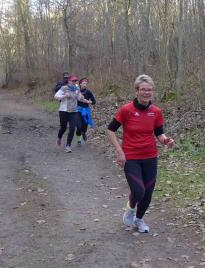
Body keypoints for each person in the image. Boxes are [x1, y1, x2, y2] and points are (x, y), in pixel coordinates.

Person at [107, 75, 175, 234]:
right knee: (138, 191)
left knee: (148, 193)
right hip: (131, 156)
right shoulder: (126, 110)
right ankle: (130, 209)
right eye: (143, 89)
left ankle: (139, 219)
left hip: (150, 156)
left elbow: (159, 133)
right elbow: (110, 130)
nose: (147, 92)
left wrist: (166, 141)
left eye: (149, 90)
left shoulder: (156, 111)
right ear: (137, 91)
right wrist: (119, 151)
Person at [54, 75, 82, 153]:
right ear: (69, 81)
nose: (74, 82)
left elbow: (79, 97)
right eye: (72, 81)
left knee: (72, 128)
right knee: (63, 127)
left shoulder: (77, 88)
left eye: (75, 81)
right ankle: (59, 137)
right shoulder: (64, 88)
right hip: (63, 111)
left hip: (74, 111)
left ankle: (68, 146)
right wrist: (64, 96)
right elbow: (56, 96)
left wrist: (82, 98)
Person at [75, 77, 96, 146]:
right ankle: (79, 140)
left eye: (86, 84)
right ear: (80, 84)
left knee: (84, 127)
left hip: (86, 111)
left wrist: (89, 102)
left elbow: (94, 101)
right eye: (84, 83)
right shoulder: (76, 91)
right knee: (78, 126)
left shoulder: (88, 92)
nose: (85, 85)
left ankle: (83, 133)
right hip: (77, 110)